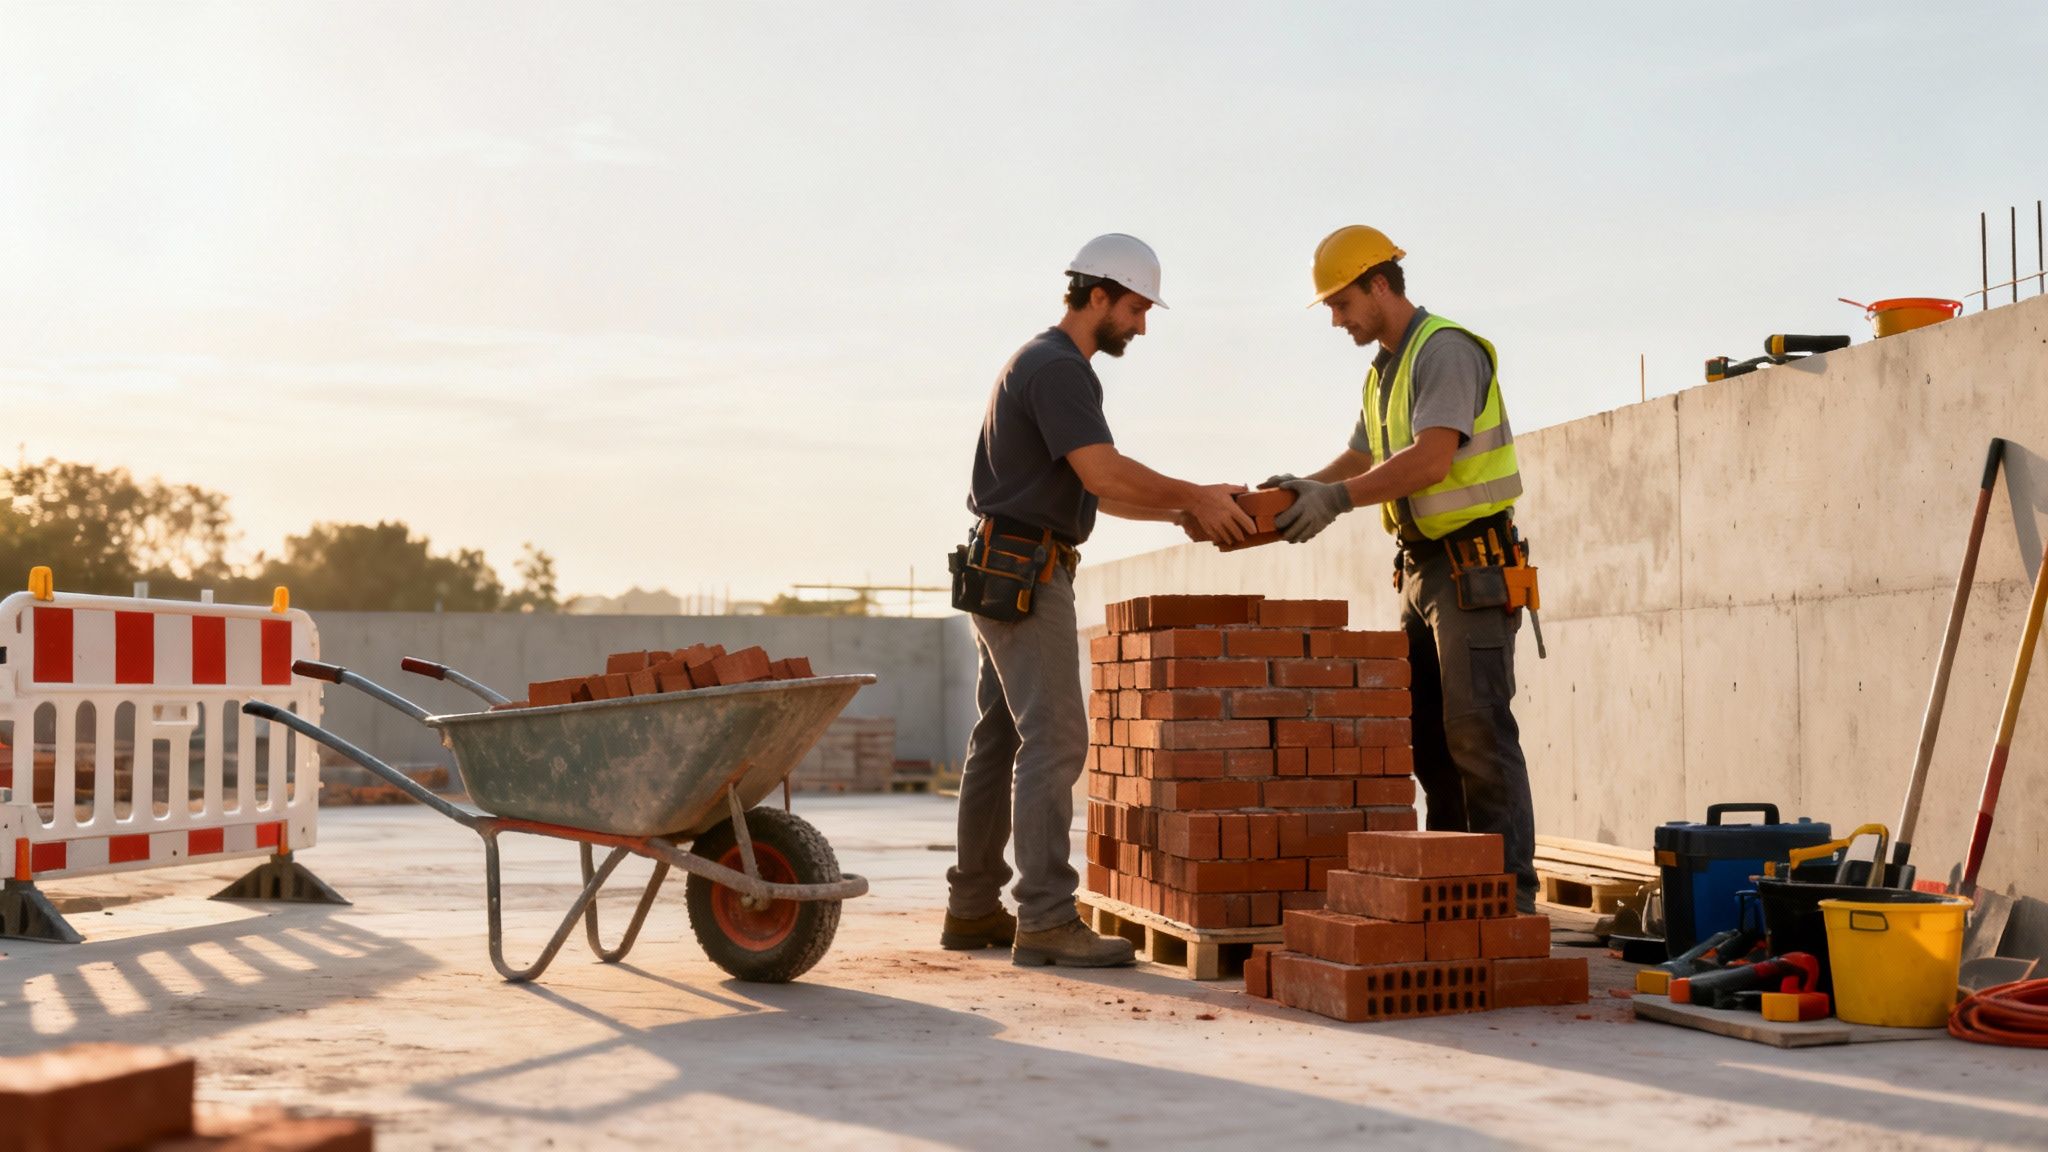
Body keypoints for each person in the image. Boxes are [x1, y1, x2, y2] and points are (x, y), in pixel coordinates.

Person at [944, 233, 1257, 965]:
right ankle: (1047, 918)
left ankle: (972, 908)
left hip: (1003, 565)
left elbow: (1092, 486)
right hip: (1026, 575)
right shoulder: (1059, 369)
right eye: (1136, 309)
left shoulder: (1040, 361)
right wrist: (1195, 495)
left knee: (999, 741)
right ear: (1097, 296)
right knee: (1055, 740)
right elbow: (1103, 471)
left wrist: (1184, 513)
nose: (1142, 326)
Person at [1262, 225, 1538, 913]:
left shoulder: (1443, 350)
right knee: (1429, 739)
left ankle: (1512, 896)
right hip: (1419, 571)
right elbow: (1361, 461)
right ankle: (1455, 887)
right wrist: (1305, 487)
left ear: (1379, 285)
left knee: (1478, 731)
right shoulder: (1384, 369)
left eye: (1341, 301)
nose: (1335, 319)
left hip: (1471, 565)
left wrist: (1335, 500)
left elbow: (1430, 459)